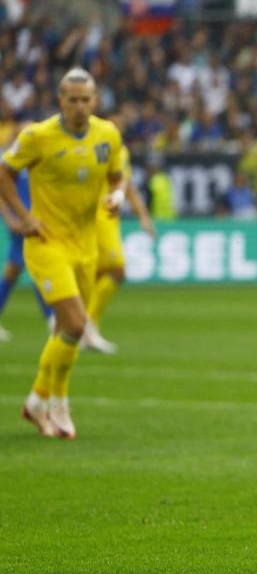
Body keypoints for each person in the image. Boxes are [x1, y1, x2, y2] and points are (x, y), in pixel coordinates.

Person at [0, 68, 125, 439]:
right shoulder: (38, 136)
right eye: (72, 100)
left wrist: (117, 197)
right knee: (72, 324)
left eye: (86, 99)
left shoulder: (108, 134)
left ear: (95, 100)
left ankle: (37, 401)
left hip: (85, 244)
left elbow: (117, 175)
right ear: (60, 101)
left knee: (68, 327)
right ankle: (58, 403)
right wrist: (19, 217)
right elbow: (4, 172)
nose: (80, 106)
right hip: (46, 243)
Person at [82, 143, 157, 354]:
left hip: (107, 216)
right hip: (99, 216)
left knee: (97, 275)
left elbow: (126, 185)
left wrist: (143, 216)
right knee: (117, 270)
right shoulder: (98, 145)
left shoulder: (119, 149)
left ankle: (83, 328)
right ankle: (86, 325)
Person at [0, 170, 54, 341]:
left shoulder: (35, 151)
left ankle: (53, 319)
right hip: (24, 222)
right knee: (36, 268)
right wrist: (9, 219)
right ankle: (52, 319)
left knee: (13, 271)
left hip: (38, 219)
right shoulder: (14, 156)